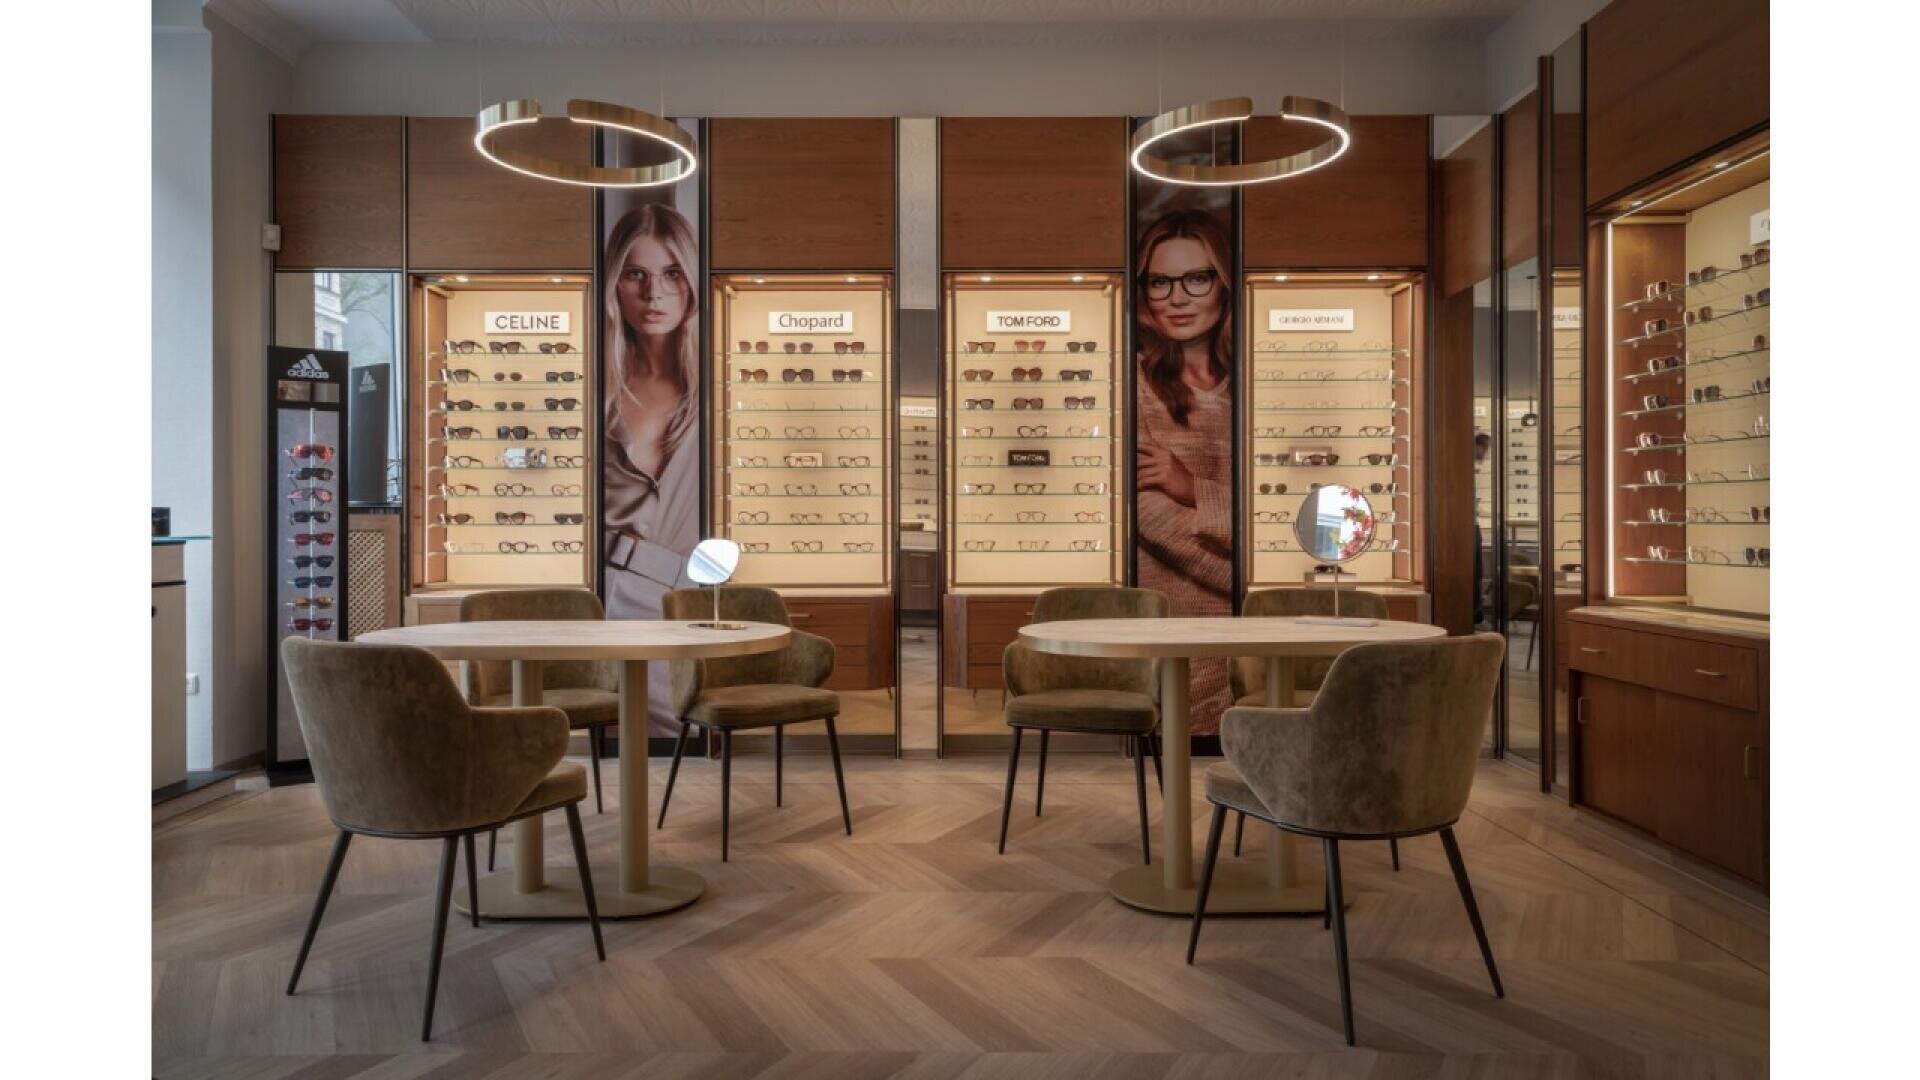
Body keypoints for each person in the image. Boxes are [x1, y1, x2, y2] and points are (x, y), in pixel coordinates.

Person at [1134, 209, 1235, 734]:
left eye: (1196, 278)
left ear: (1222, 283)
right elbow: (1151, 517)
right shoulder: (1134, 388)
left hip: (1259, 639)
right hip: (1176, 628)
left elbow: (1287, 508)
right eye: (1160, 281)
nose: (1176, 298)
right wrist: (1250, 581)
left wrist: (1190, 487)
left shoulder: (1255, 384)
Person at [602, 204, 701, 730]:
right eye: (635, 275)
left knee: (679, 730)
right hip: (605, 597)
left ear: (690, 283)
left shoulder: (716, 390)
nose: (653, 293)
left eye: (671, 274)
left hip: (685, 602)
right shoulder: (595, 386)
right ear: (615, 284)